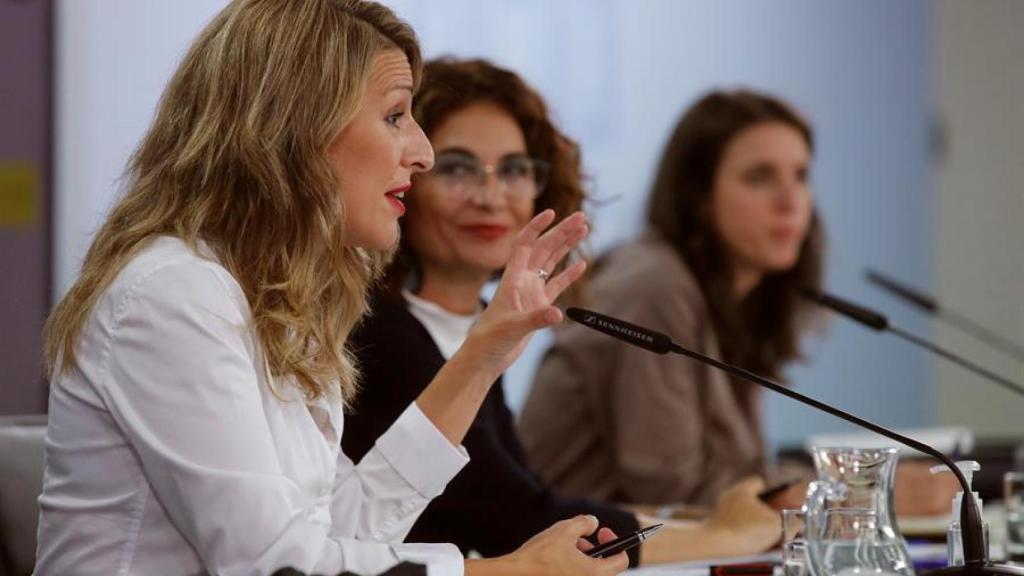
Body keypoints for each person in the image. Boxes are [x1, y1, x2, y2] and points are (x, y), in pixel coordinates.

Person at [35, 2, 624, 575]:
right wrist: (513, 573)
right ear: (293, 128)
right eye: (395, 116)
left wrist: (482, 354)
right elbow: (274, 565)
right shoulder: (173, 293)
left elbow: (343, 529)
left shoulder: (276, 299)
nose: (422, 153)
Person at [342, 59, 781, 569]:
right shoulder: (382, 335)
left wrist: (718, 525)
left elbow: (524, 500)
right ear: (407, 177)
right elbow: (525, 525)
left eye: (513, 169)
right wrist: (727, 536)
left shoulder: (471, 322)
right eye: (457, 168)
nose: (491, 197)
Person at [518, 89, 958, 515]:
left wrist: (841, 481)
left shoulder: (730, 294)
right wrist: (850, 490)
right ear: (700, 197)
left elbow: (740, 473)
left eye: (801, 176)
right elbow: (675, 490)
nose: (791, 201)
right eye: (760, 177)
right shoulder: (654, 285)